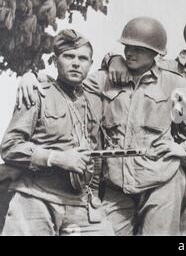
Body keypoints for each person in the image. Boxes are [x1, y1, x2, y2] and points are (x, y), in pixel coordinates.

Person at [15, 17, 186, 236]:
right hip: (117, 186)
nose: (130, 53)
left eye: (139, 49)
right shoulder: (103, 79)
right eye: (127, 48)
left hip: (161, 182)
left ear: (156, 53)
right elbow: (64, 81)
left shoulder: (175, 84)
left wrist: (185, 148)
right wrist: (31, 77)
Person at [103, 14, 186, 235]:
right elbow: (137, 57)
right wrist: (113, 59)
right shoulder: (166, 69)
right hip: (152, 170)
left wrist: (184, 147)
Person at [1, 29, 114, 236]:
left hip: (80, 202)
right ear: (55, 60)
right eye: (68, 56)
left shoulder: (94, 99)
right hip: (35, 199)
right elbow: (9, 147)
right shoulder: (37, 93)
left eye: (82, 58)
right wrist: (56, 158)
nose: (76, 63)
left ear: (90, 63)